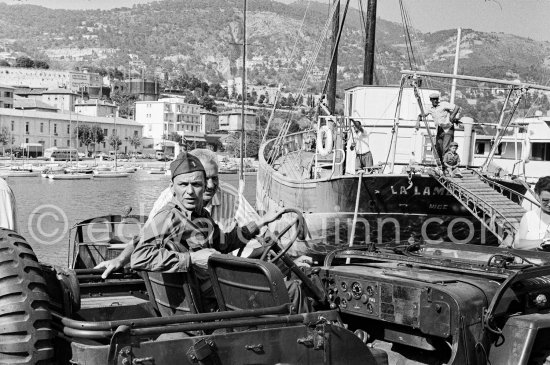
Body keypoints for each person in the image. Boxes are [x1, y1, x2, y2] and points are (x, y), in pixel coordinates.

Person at [130, 152, 274, 311]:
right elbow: (139, 257)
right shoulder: (169, 216)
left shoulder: (201, 214)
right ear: (172, 187)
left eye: (196, 185)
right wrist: (191, 258)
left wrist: (259, 223)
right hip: (212, 300)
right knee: (291, 291)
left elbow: (223, 244)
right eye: (183, 185)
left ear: (204, 186)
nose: (190, 191)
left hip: (217, 289)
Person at [419, 92, 461, 165]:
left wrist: (452, 116)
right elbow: (422, 114)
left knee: (446, 148)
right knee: (439, 148)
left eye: (436, 99)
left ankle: (447, 165)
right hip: (439, 129)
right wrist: (418, 120)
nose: (435, 101)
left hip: (448, 128)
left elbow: (456, 107)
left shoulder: (444, 104)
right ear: (431, 100)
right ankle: (442, 165)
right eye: (433, 99)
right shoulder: (430, 108)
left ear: (438, 99)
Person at [514, 176, 550, 250]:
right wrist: (543, 242)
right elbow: (518, 244)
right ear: (537, 196)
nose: (549, 204)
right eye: (545, 200)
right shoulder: (529, 217)